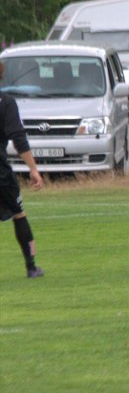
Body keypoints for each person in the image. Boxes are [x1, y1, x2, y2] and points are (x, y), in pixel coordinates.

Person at [0, 61, 45, 279]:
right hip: (1, 174)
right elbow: (18, 138)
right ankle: (31, 267)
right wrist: (33, 169)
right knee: (19, 214)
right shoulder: (6, 103)